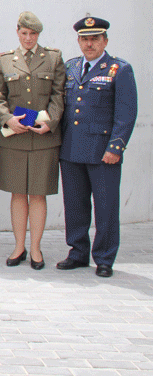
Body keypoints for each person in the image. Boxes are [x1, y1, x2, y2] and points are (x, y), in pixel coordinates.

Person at [57, 16, 137, 278]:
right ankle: (78, 252)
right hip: (71, 149)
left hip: (103, 152)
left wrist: (116, 148)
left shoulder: (119, 69)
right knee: (75, 205)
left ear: (105, 41)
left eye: (94, 39)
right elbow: (60, 106)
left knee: (106, 207)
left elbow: (126, 114)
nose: (89, 44)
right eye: (84, 39)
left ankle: (104, 258)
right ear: (79, 41)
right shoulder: (70, 67)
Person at [0, 12, 65, 270]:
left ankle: (35, 249)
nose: (29, 38)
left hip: (43, 137)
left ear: (38, 34)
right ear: (18, 32)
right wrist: (7, 119)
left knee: (39, 194)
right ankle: (19, 246)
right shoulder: (5, 60)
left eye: (33, 34)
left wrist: (51, 122)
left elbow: (58, 95)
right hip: (14, 136)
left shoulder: (53, 58)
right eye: (24, 33)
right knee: (18, 193)